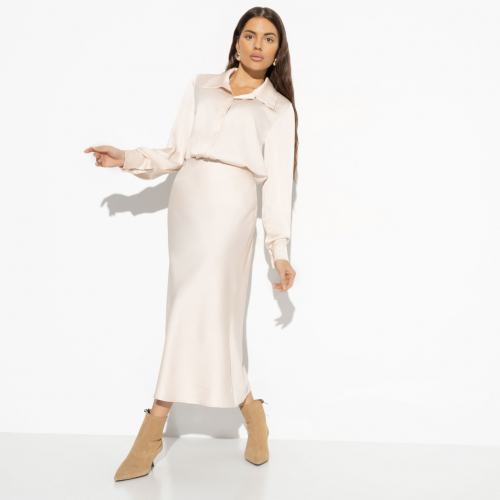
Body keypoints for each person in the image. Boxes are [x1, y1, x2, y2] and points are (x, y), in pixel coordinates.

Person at [84, 6, 298, 481]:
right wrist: (126, 157)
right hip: (188, 209)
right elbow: (175, 153)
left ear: (277, 52)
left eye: (268, 39)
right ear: (237, 42)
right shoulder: (201, 86)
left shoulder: (279, 110)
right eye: (250, 35)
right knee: (201, 316)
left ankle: (151, 431)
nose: (258, 44)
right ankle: (252, 412)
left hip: (232, 210)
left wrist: (279, 251)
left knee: (192, 312)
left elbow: (279, 185)